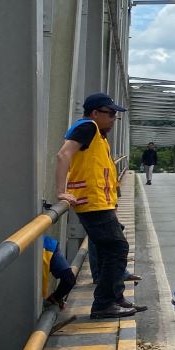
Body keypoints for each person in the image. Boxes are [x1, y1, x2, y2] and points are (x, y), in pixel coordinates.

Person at [56, 92, 147, 320]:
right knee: (117, 248)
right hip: (91, 201)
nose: (114, 119)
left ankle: (115, 299)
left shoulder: (98, 134)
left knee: (112, 250)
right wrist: (61, 191)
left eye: (115, 114)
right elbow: (62, 155)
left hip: (99, 201)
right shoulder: (87, 127)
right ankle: (105, 303)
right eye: (110, 113)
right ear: (95, 113)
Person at [41, 235, 77, 310]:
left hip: (49, 247)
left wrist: (56, 297)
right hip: (48, 246)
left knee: (69, 279)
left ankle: (53, 299)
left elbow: (69, 280)